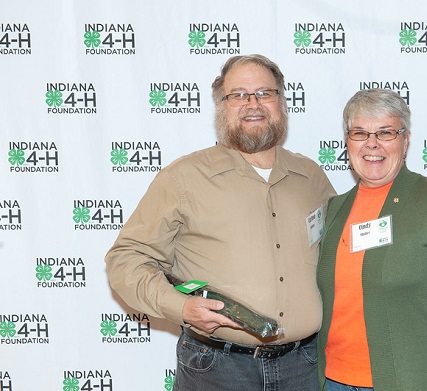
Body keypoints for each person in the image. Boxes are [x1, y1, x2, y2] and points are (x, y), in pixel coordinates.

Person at [105, 54, 336, 391]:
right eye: (238, 95)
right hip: (217, 369)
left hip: (305, 366)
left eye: (264, 93)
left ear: (281, 102)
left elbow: (345, 253)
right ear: (221, 106)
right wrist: (181, 306)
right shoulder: (183, 178)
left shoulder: (310, 176)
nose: (252, 104)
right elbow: (126, 260)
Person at [316, 89, 427, 390]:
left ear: (405, 141)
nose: (372, 143)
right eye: (360, 133)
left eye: (385, 132)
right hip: (334, 381)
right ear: (347, 142)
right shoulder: (335, 209)